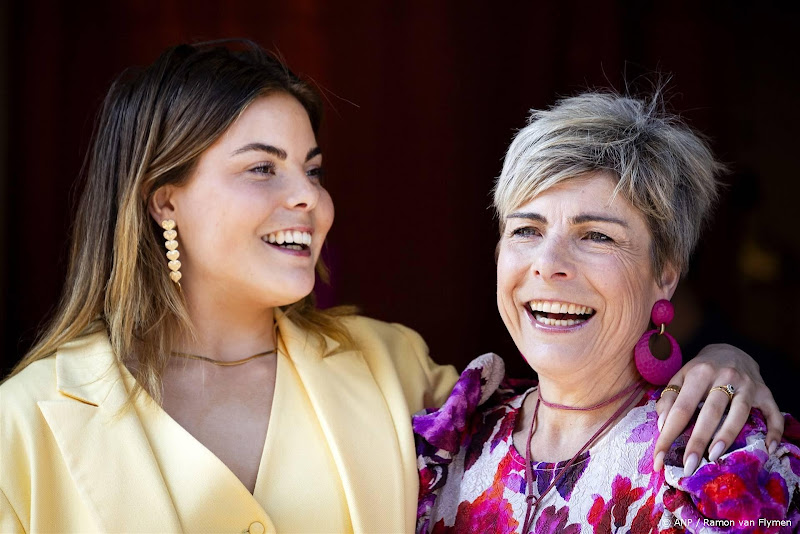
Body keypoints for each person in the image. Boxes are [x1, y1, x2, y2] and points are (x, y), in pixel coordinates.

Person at [0, 41, 786, 533]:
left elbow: (582, 383)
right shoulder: (26, 421)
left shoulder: (395, 372)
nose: (308, 198)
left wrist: (728, 359)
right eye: (262, 168)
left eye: (312, 169)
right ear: (163, 197)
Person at [413, 91, 800, 533]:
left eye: (597, 236)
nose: (548, 262)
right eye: (526, 229)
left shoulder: (720, 458)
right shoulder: (446, 441)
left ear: (665, 275)